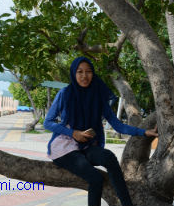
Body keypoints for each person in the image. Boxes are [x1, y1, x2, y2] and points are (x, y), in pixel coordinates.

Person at [44, 56, 158, 206]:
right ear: (74, 73)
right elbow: (48, 122)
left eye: (88, 71)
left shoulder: (98, 96)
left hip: (86, 145)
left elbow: (117, 125)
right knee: (95, 178)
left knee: (109, 157)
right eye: (80, 72)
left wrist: (143, 132)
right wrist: (74, 133)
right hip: (65, 147)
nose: (84, 76)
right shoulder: (65, 94)